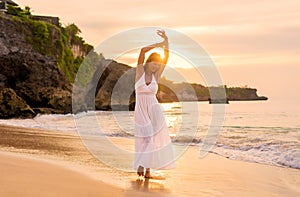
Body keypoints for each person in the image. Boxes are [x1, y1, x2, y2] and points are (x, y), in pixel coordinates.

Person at [134, 30, 175, 179]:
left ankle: (147, 171)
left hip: (154, 109)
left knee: (152, 139)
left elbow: (167, 57)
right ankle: (141, 165)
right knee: (146, 138)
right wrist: (158, 44)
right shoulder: (139, 73)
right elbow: (142, 51)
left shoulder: (156, 76)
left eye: (158, 65)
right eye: (154, 64)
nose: (156, 67)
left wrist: (166, 42)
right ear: (148, 62)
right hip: (141, 111)